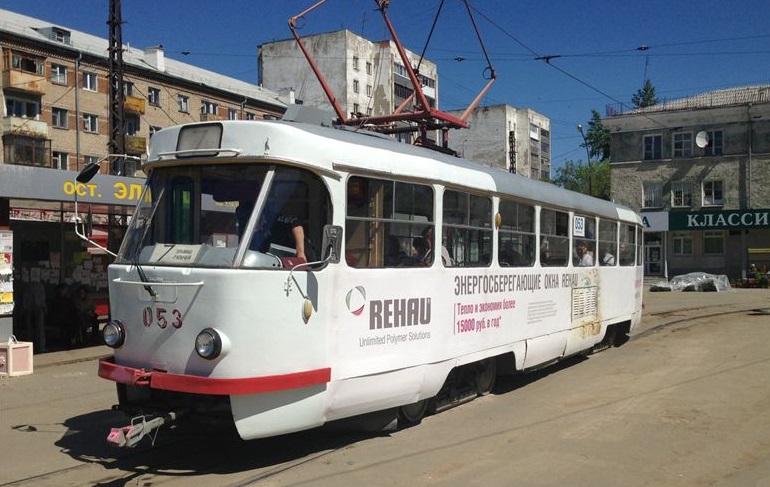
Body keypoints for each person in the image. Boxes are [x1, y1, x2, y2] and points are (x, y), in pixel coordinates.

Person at [23, 281, 47, 353]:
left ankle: (33, 347)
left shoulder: (28, 286)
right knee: (36, 328)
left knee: (33, 328)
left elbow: (42, 297)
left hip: (33, 306)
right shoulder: (38, 286)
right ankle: (39, 347)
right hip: (33, 306)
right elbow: (42, 297)